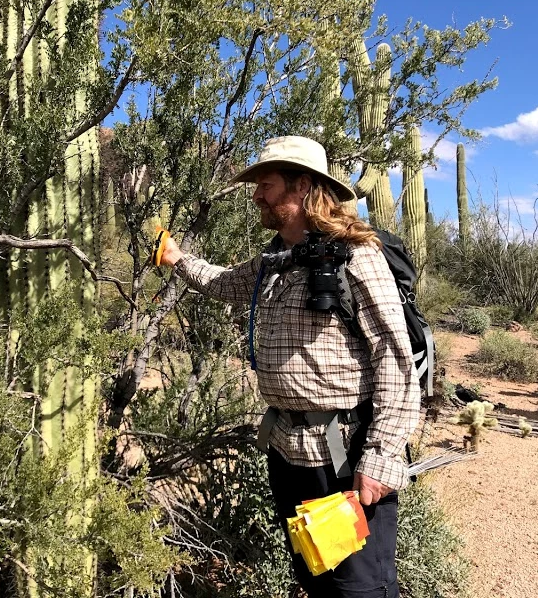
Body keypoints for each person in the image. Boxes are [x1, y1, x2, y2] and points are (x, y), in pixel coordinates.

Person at [158, 135, 420, 597]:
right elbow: (224, 283)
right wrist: (176, 259)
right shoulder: (275, 261)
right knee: (314, 577)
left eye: (267, 185)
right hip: (287, 450)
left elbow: (394, 358)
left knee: (357, 588)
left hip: (342, 457)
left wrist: (381, 456)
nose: (257, 195)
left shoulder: (358, 255)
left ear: (302, 187)